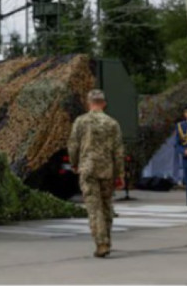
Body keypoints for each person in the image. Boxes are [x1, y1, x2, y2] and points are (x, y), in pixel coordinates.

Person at [68, 89, 124, 258]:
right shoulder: (112, 123)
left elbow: (73, 145)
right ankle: (107, 240)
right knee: (106, 206)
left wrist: (74, 163)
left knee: (94, 208)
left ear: (89, 103)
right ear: (104, 103)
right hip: (107, 170)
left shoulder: (81, 121)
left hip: (88, 168)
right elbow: (118, 151)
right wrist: (119, 174)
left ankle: (101, 243)